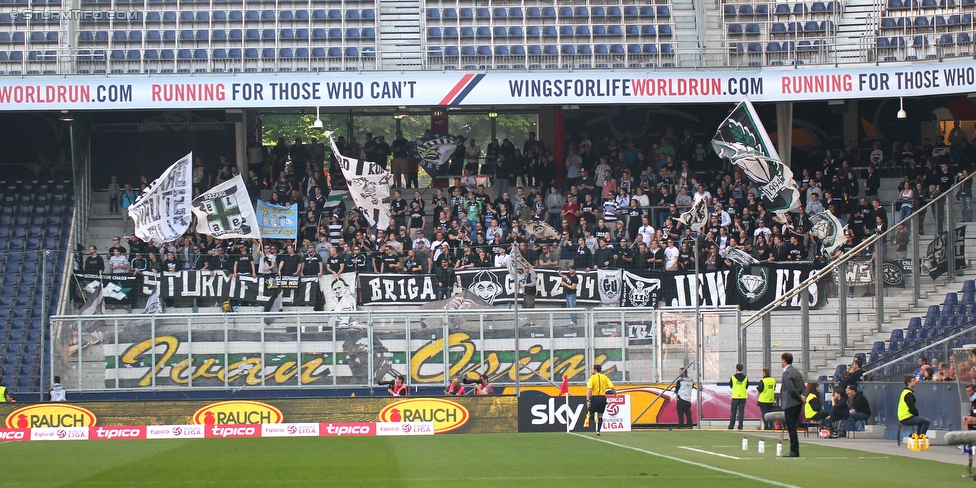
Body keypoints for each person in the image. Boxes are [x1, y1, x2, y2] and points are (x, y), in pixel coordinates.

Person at [780, 352, 805, 457]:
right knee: (793, 426)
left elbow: (791, 389)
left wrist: (798, 397)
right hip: (798, 403)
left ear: (784, 360)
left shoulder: (787, 373)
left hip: (791, 402)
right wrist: (802, 397)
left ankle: (794, 450)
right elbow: (803, 387)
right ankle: (794, 449)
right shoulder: (797, 372)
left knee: (791, 427)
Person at [585, 364, 614, 436]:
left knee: (590, 413)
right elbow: (612, 387)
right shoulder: (605, 377)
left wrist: (588, 400)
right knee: (601, 415)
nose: (592, 370)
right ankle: (598, 431)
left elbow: (589, 390)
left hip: (594, 397)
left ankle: (594, 414)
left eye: (592, 369)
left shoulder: (591, 378)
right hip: (602, 398)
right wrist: (615, 394)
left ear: (595, 370)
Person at [728, 363, 748, 430]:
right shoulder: (745, 378)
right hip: (743, 397)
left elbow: (731, 385)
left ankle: (731, 426)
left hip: (735, 397)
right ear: (742, 369)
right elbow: (746, 386)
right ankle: (740, 426)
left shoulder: (733, 377)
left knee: (733, 412)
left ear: (736, 369)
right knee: (741, 412)